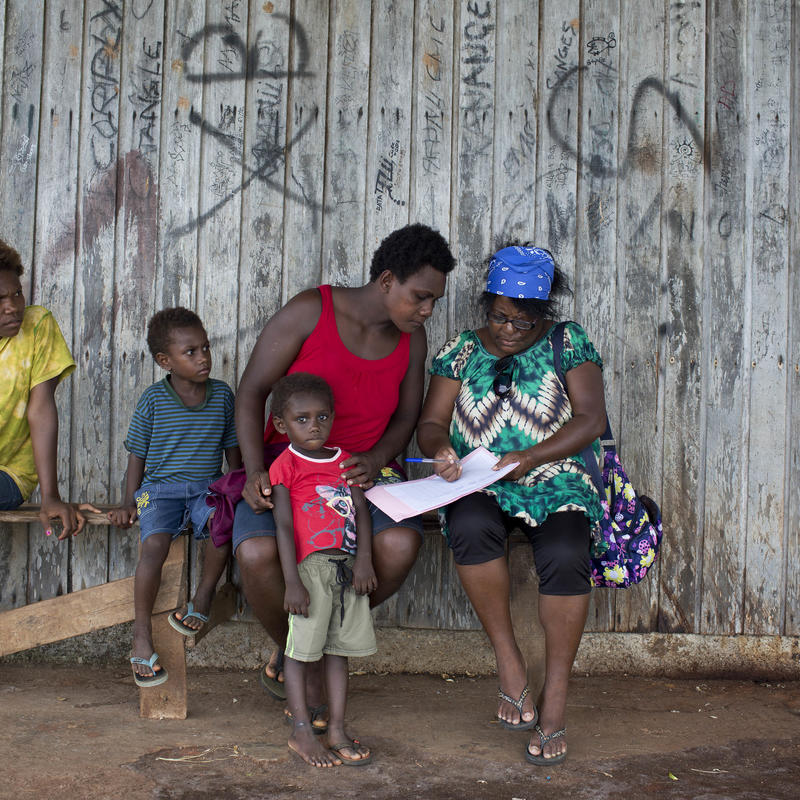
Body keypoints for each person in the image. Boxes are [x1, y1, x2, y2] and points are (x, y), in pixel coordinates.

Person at [233, 223, 455, 702]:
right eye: (420, 296)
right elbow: (251, 393)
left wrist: (376, 458)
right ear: (386, 280)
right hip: (288, 468)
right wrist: (255, 470)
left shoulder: (410, 339)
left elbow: (406, 415)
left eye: (434, 300)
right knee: (255, 554)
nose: (427, 310)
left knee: (396, 545)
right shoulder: (311, 311)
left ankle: (315, 649)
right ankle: (298, 657)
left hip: (361, 474)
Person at [416, 244, 607, 766]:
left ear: (542, 314)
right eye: (500, 316)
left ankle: (557, 696)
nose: (508, 330)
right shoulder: (460, 349)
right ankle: (509, 661)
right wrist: (440, 449)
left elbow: (590, 419)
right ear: (487, 304)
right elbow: (431, 422)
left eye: (523, 322)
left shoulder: (568, 342)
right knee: (471, 525)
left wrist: (530, 457)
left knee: (568, 553)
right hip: (479, 481)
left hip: (556, 475)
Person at [108, 308, 241, 687]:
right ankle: (140, 634)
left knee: (221, 524)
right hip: (158, 492)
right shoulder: (153, 400)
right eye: (190, 352)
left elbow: (233, 453)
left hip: (205, 488)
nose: (203, 358)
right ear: (165, 361)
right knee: (154, 546)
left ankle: (202, 598)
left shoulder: (221, 396)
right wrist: (128, 502)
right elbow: (137, 455)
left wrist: (235, 489)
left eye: (205, 348)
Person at [270, 373, 377, 767]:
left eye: (322, 417)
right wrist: (292, 581)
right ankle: (301, 731)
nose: (313, 426)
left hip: (347, 567)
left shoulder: (345, 461)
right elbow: (282, 524)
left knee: (339, 651)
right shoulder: (285, 465)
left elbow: (361, 512)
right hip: (310, 571)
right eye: (301, 419)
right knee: (299, 653)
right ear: (282, 425)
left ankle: (336, 728)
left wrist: (364, 559)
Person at [0, 238, 88, 537]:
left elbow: (40, 410)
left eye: (17, 294)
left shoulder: (37, 326)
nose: (11, 307)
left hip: (9, 473)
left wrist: (50, 496)